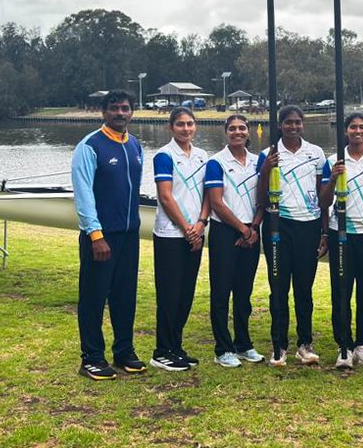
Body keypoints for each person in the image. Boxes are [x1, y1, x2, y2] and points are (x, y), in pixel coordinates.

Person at [72, 89, 145, 380]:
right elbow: (83, 194)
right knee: (93, 296)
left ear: (132, 112)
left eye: (125, 108)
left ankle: (124, 351)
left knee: (125, 296)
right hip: (101, 237)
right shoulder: (90, 146)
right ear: (104, 112)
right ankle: (91, 357)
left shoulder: (135, 145)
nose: (120, 113)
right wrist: (95, 234)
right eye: (114, 108)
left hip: (129, 234)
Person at [319, 112, 363, 369]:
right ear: (346, 131)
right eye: (353, 127)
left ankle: (361, 344)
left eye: (362, 127)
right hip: (342, 234)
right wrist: (334, 177)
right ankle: (344, 346)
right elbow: (324, 202)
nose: (358, 131)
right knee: (341, 291)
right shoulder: (333, 161)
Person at [255, 105, 326, 367]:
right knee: (279, 288)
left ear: (302, 124)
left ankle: (305, 344)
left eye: (297, 122)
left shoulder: (316, 154)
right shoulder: (268, 154)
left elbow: (322, 196)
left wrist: (324, 231)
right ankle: (279, 345)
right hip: (278, 225)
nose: (293, 126)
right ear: (280, 125)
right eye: (288, 123)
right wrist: (266, 169)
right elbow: (260, 199)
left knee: (304, 289)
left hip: (308, 225)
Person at [150, 107, 210, 372]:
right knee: (169, 293)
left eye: (190, 124)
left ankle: (176, 346)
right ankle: (161, 350)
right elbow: (165, 196)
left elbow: (208, 193)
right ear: (171, 128)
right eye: (180, 125)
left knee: (186, 293)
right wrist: (187, 228)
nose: (186, 129)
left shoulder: (202, 156)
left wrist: (200, 224)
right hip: (170, 235)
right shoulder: (164, 156)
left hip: (195, 232)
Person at [204, 115, 266, 368]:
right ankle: (223, 348)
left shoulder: (259, 161)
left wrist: (254, 227)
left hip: (252, 231)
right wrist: (242, 229)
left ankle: (244, 343)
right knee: (221, 291)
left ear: (249, 132)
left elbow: (265, 196)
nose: (237, 132)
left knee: (244, 292)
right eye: (232, 129)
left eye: (242, 128)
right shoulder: (216, 162)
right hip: (225, 233)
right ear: (226, 132)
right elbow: (217, 202)